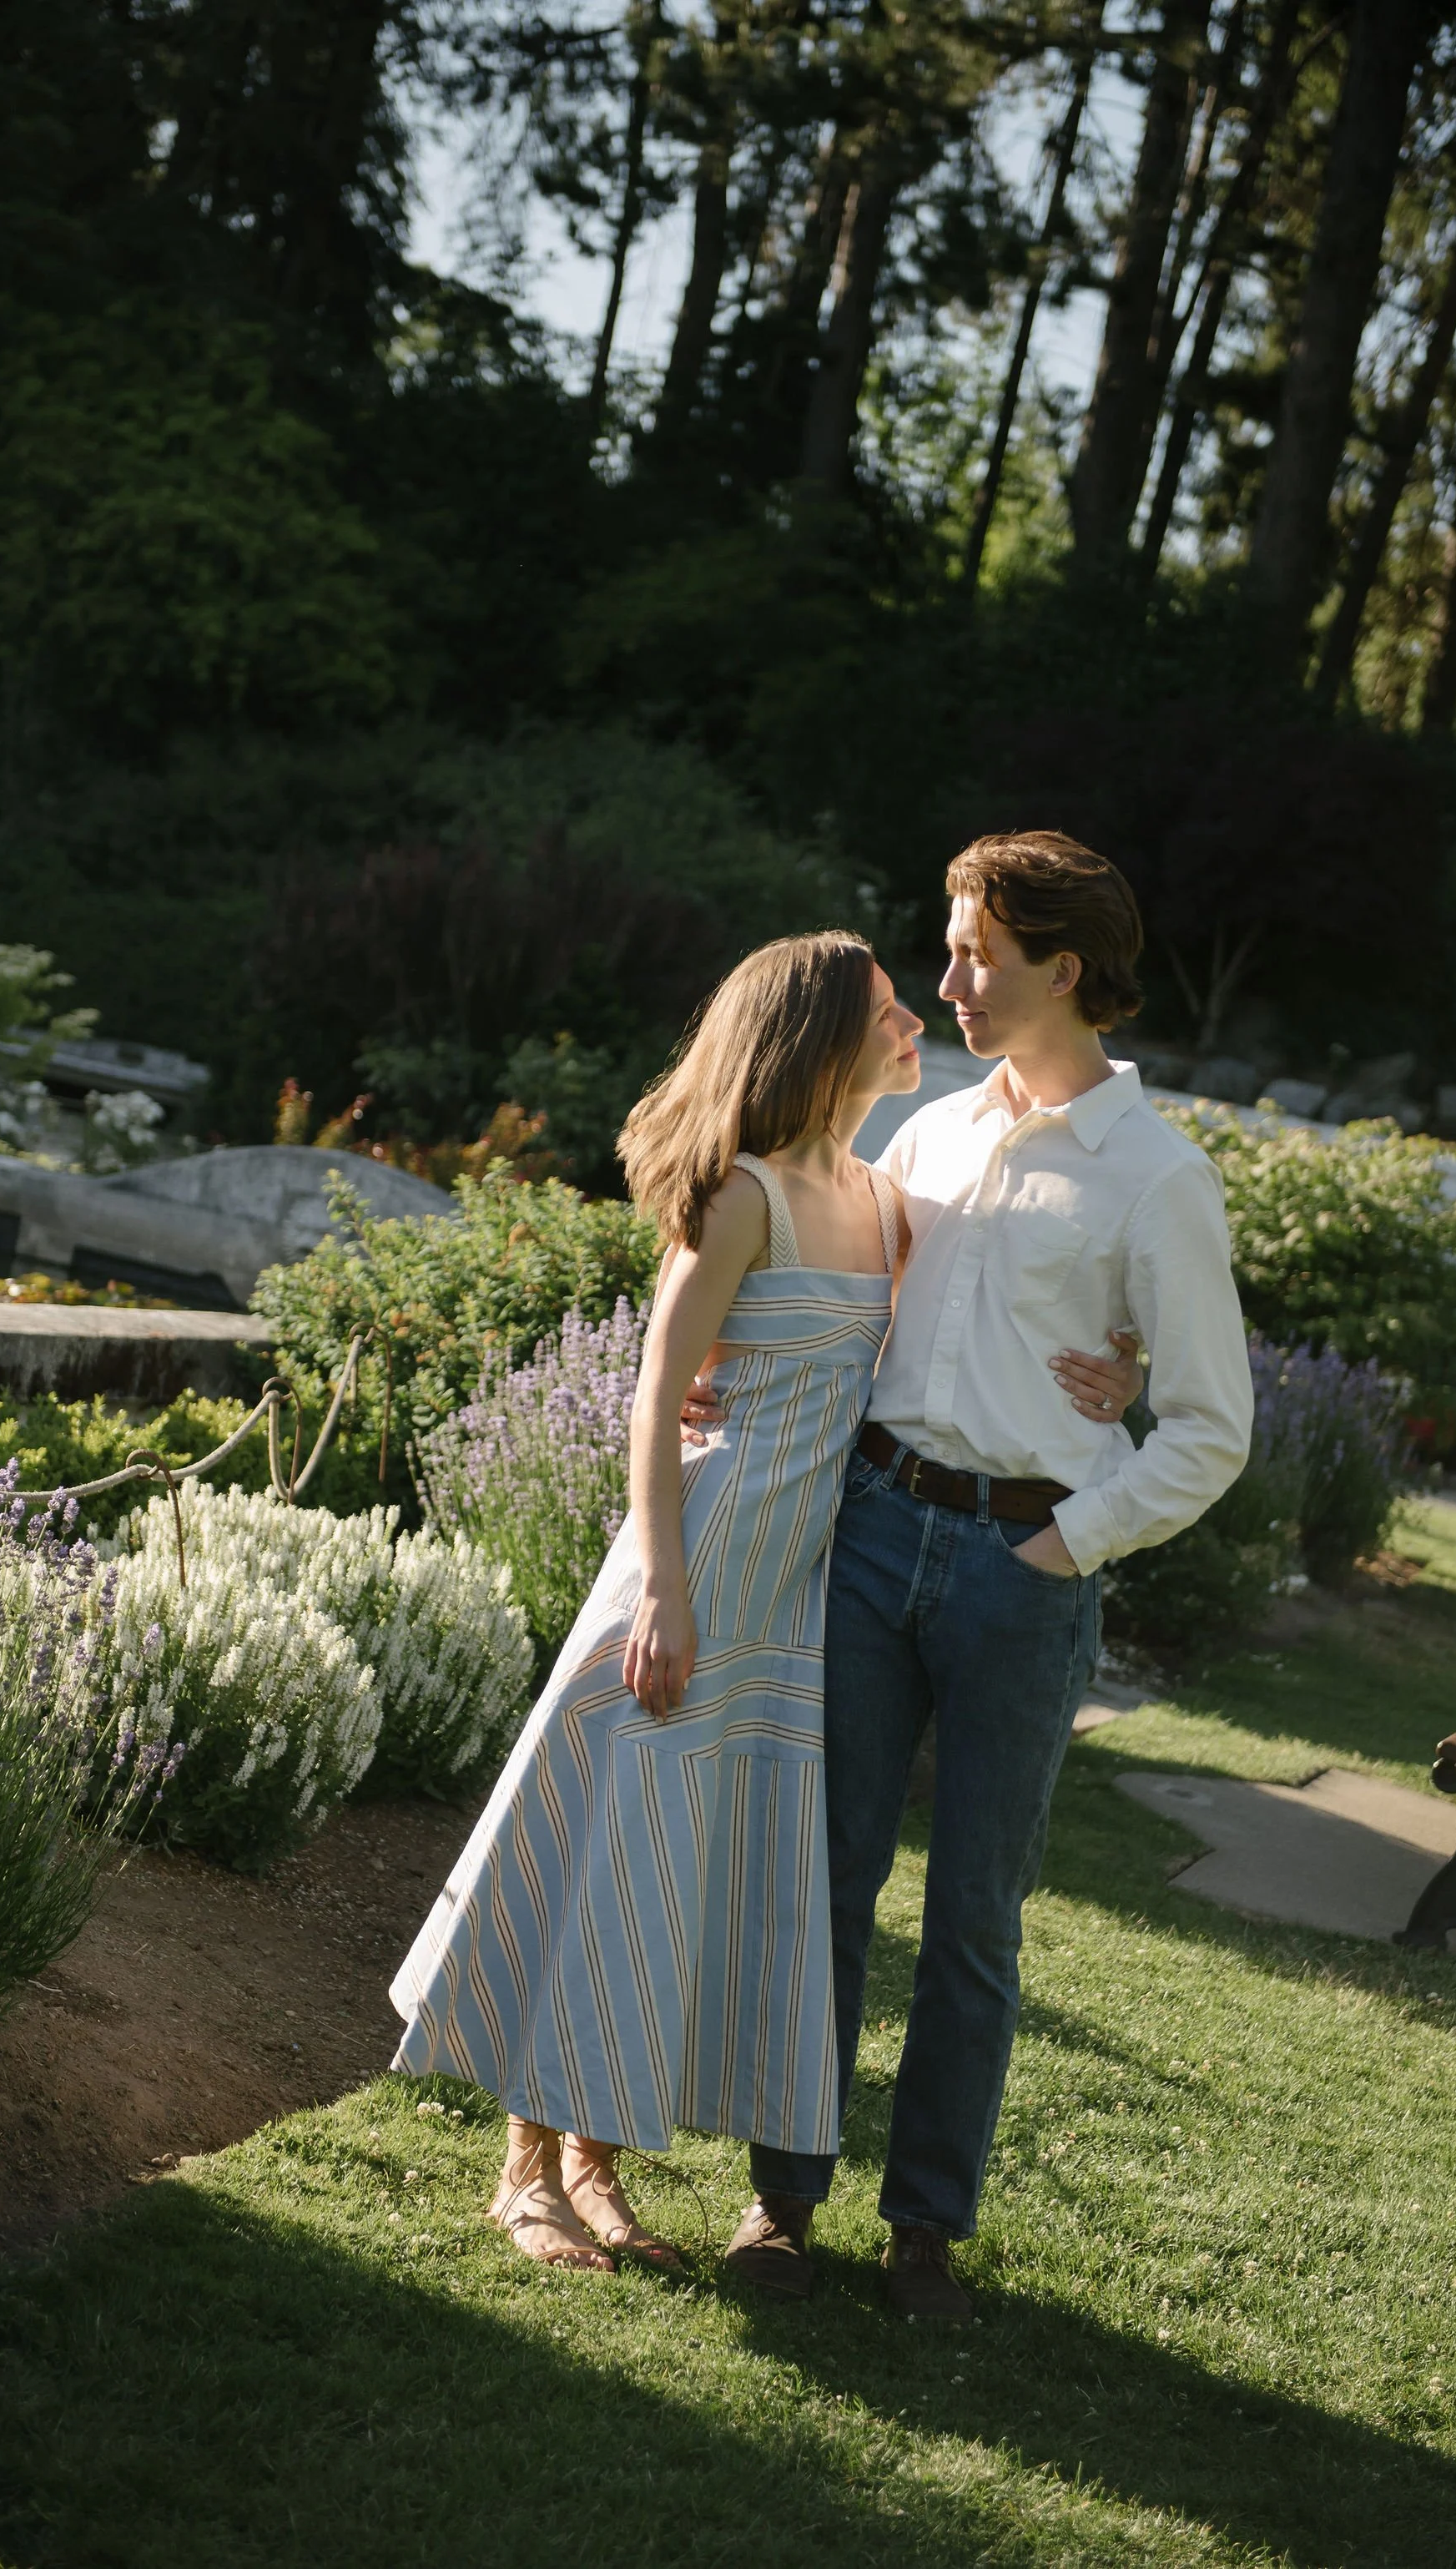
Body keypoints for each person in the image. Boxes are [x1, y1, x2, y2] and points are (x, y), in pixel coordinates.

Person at [722, 830, 1254, 2320]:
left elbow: (1215, 1431)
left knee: (973, 1913)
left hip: (1026, 1569)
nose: (945, 980)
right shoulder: (932, 1133)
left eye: (974, 954)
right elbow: (826, 1280)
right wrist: (722, 1371)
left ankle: (924, 2230)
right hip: (875, 1526)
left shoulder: (1156, 1180)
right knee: (826, 1876)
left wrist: (1057, 1544)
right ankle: (783, 2198)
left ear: (1061, 969)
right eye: (952, 949)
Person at [388, 931, 926, 2272]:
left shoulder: (883, 1195)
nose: (915, 1018)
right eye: (885, 1008)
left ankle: (596, 2162)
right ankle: (525, 2172)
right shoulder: (745, 1194)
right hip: (688, 1573)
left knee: (670, 1869)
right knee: (609, 1842)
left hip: (788, 1595)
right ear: (818, 1040)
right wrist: (667, 1594)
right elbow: (653, 1390)